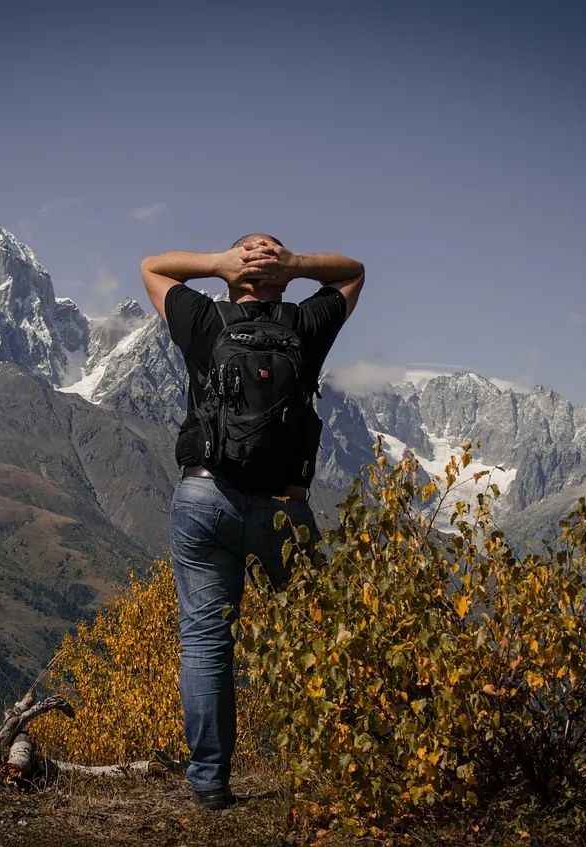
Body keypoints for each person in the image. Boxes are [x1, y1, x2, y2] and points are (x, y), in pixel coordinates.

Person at [140, 234, 365, 810]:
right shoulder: (305, 325)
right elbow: (353, 272)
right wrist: (296, 265)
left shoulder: (204, 321)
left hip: (205, 497)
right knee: (318, 633)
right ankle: (340, 770)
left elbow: (153, 268)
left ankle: (210, 783)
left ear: (236, 278)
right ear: (279, 280)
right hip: (285, 509)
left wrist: (219, 265)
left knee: (206, 642)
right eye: (262, 252)